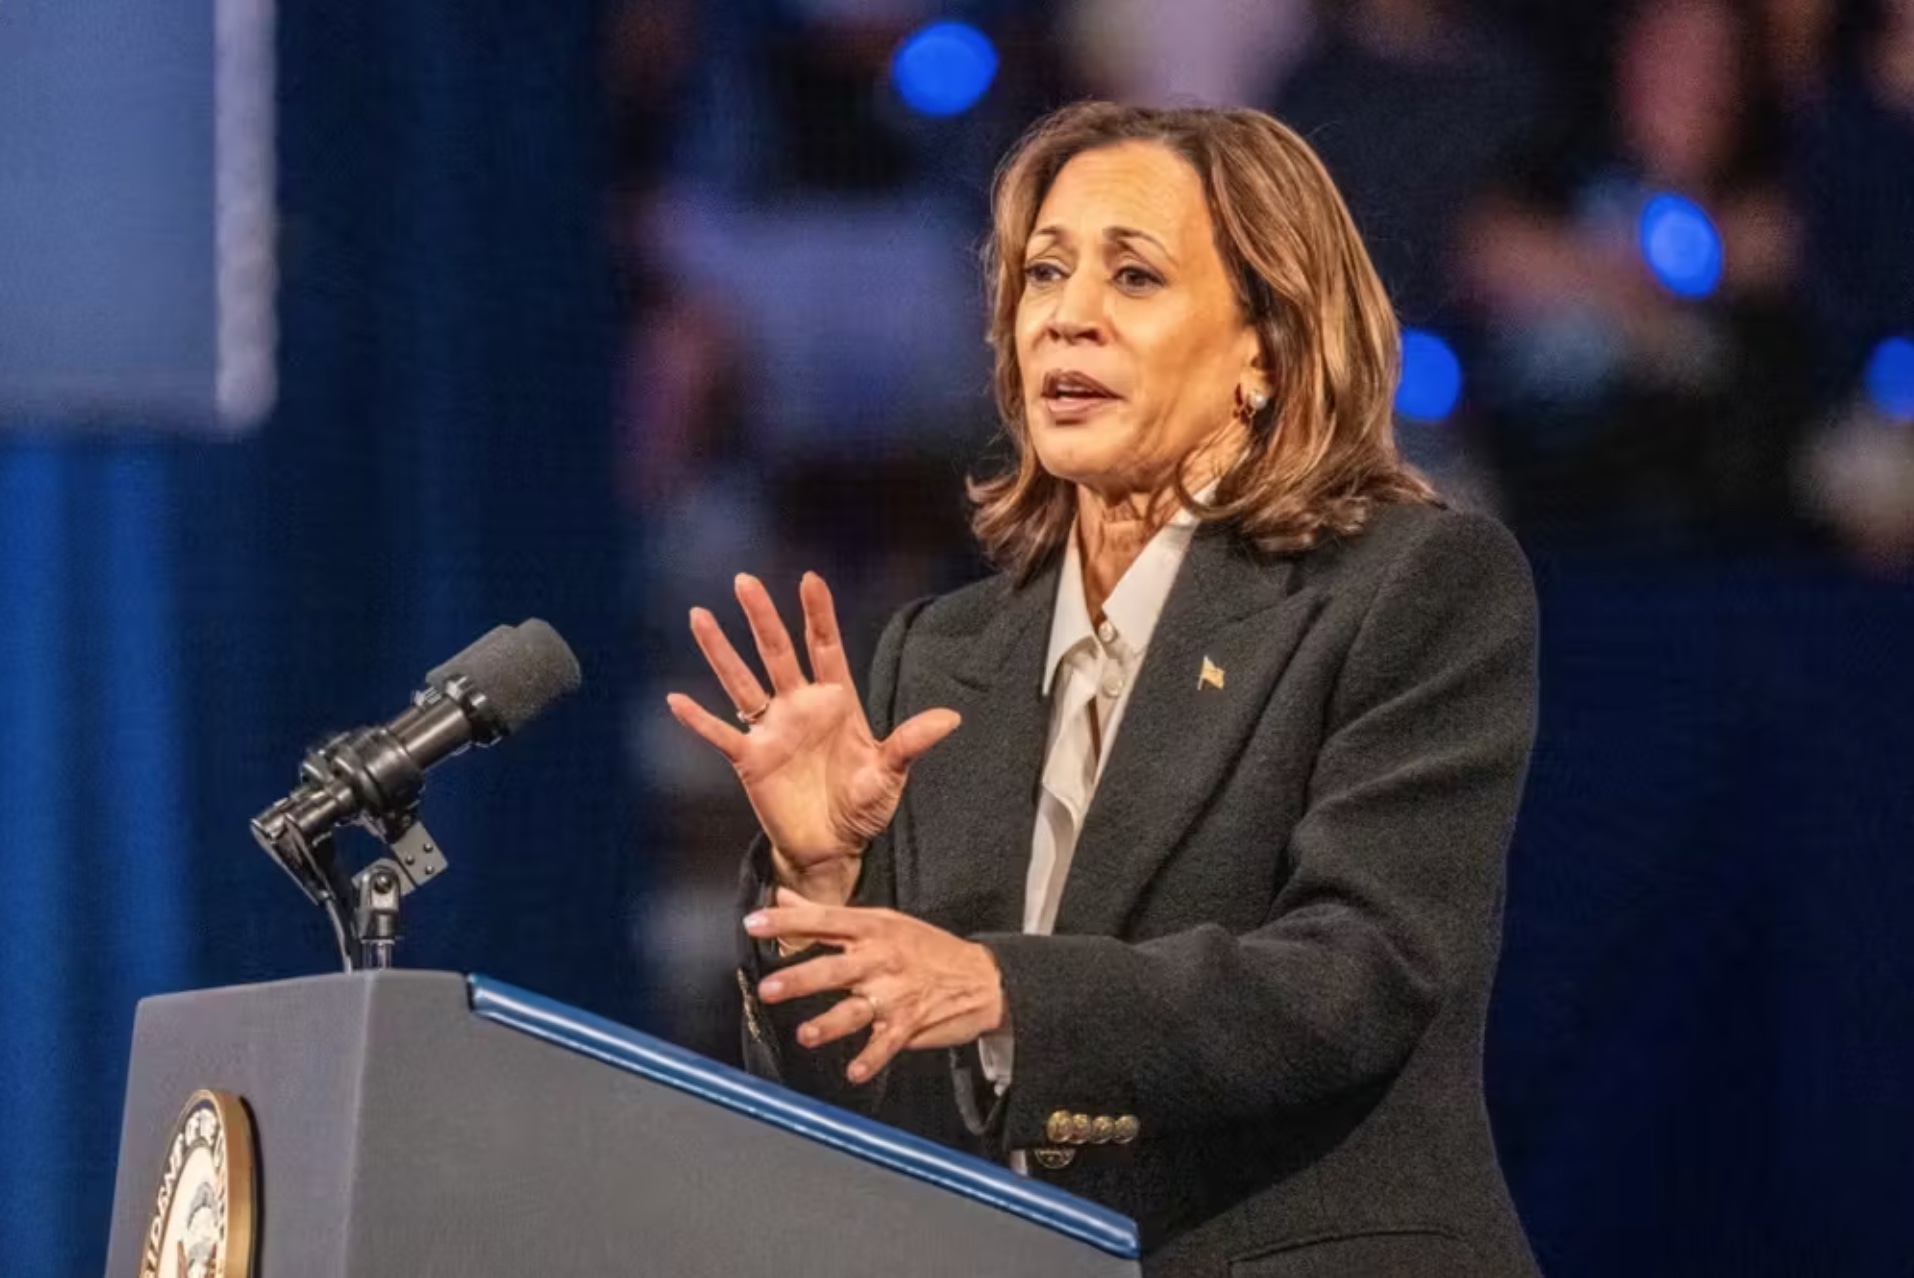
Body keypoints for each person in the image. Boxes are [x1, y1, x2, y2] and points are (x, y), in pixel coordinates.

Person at [666, 101, 1541, 1277]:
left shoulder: (1408, 586)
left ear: (1264, 348)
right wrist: (817, 881)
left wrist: (1002, 986)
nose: (1067, 317)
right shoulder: (940, 655)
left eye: (1134, 276)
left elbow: (1359, 972)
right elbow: (880, 1113)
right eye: (1043, 274)